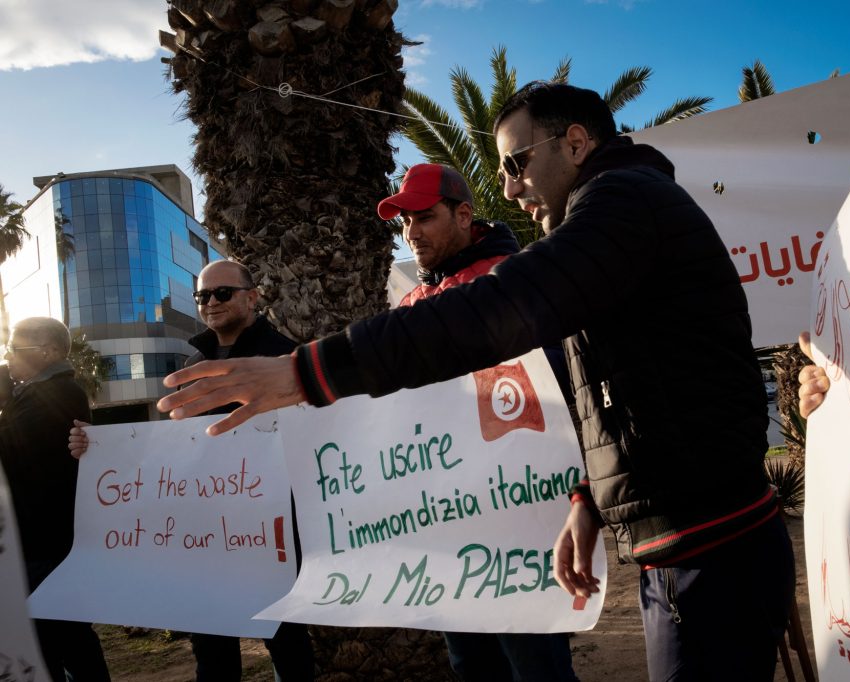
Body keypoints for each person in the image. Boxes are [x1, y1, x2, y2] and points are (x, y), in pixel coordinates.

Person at [157, 82, 796, 680]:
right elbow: (600, 392)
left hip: (713, 545)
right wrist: (586, 498)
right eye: (499, 171)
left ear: (575, 143)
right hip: (681, 545)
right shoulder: (613, 219)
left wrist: (305, 371)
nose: (510, 188)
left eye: (516, 163)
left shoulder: (623, 203)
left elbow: (492, 314)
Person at [379, 162, 577, 682]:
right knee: (471, 665)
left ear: (464, 214)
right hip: (446, 523)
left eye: (424, 217)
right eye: (404, 221)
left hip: (515, 522)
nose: (412, 232)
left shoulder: (509, 280)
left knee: (535, 666)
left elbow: (550, 387)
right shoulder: (413, 301)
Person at [70, 261, 314, 682]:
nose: (211, 303)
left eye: (223, 293)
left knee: (285, 641)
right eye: (203, 295)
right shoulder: (195, 361)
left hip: (270, 533)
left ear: (252, 297)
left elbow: (312, 433)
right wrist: (101, 449)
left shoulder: (282, 355)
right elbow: (176, 445)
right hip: (204, 535)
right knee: (212, 648)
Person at [0, 317, 111, 681]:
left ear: (46, 352)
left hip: (50, 540)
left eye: (13, 349)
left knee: (67, 634)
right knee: (48, 636)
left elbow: (13, 450)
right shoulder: (29, 393)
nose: (7, 358)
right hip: (34, 537)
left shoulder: (62, 392)